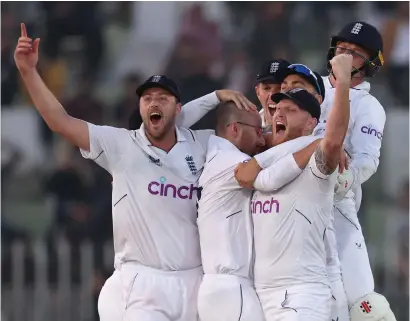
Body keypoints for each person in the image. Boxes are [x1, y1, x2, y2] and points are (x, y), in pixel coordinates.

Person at [14, 23, 256, 321]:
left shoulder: (204, 144)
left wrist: (218, 98)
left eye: (163, 98)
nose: (154, 102)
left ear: (178, 108)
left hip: (195, 283)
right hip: (143, 283)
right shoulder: (121, 146)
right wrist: (28, 72)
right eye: (147, 98)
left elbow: (253, 139)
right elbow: (59, 121)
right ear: (140, 107)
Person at [234, 53, 353, 321]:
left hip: (302, 292)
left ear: (312, 122)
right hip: (258, 293)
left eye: (291, 110)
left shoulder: (315, 159)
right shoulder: (264, 156)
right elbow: (243, 172)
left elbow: (332, 144)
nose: (279, 113)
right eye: (276, 109)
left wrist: (343, 81)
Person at [197, 102, 325, 321]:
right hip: (232, 288)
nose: (261, 140)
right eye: (258, 131)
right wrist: (318, 143)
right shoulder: (233, 163)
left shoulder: (214, 158)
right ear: (235, 129)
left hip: (218, 289)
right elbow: (272, 175)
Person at [317, 21, 396, 321]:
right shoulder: (307, 84)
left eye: (356, 54)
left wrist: (347, 178)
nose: (345, 57)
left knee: (367, 307)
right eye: (342, 50)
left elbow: (366, 159)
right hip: (289, 199)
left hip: (337, 203)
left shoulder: (369, 105)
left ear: (372, 64)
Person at [279, 63, 349, 321]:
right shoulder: (260, 142)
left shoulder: (324, 146)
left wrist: (342, 82)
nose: (286, 93)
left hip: (314, 273)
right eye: (283, 90)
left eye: (297, 90)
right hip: (271, 279)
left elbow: (331, 141)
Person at [254, 59, 291, 129]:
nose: (272, 95)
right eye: (266, 88)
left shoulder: (309, 127)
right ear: (258, 92)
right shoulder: (247, 127)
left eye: (280, 88)